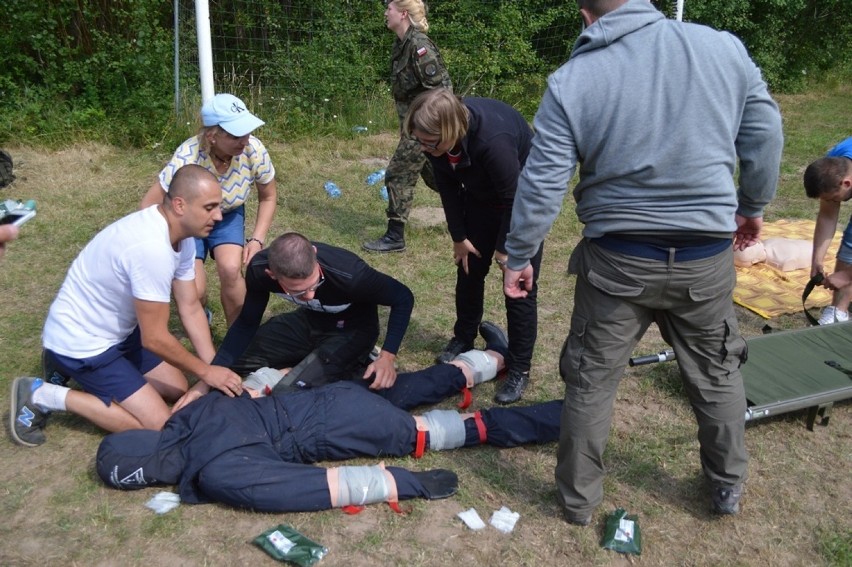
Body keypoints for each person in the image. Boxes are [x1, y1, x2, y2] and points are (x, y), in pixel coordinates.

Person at [502, 0, 783, 525]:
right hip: (703, 257)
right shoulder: (723, 47)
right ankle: (727, 488)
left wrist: (519, 254)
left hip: (618, 263)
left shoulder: (574, 79)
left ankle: (578, 503)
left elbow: (542, 183)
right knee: (718, 374)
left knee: (590, 380)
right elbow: (765, 133)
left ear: (587, 16)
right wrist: (753, 206)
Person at [96, 333, 562, 514]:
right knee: (412, 386)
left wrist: (405, 482)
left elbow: (317, 487)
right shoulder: (192, 413)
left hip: (338, 427)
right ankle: (492, 358)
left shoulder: (218, 471)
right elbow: (259, 383)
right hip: (325, 395)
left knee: (444, 431)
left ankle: (563, 418)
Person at [10, 165, 245, 448]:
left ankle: (62, 365)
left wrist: (212, 369)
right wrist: (208, 374)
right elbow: (155, 337)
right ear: (180, 205)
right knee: (161, 428)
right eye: (210, 207)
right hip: (84, 344)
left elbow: (190, 306)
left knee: (180, 387)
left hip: (118, 333)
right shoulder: (150, 249)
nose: (218, 216)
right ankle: (40, 394)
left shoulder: (182, 237)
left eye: (219, 206)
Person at [405, 88, 542, 405]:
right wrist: (459, 236)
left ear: (451, 131)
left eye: (430, 142)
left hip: (523, 204)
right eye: (419, 141)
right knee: (468, 271)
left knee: (517, 287)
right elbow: (449, 187)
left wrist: (507, 250)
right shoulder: (436, 140)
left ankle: (519, 367)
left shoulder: (492, 142)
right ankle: (463, 337)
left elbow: (515, 197)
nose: (424, 148)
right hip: (481, 200)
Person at [176, 232, 414, 408]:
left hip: (352, 330)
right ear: (273, 275)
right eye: (298, 292)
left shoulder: (351, 274)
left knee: (289, 393)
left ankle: (359, 360)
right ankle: (310, 361)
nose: (309, 295)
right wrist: (208, 377)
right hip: (308, 322)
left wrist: (388, 356)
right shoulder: (260, 271)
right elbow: (247, 324)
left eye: (314, 284)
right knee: (235, 362)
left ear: (315, 256)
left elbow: (403, 297)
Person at [140, 93, 277, 325]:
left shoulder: (253, 149)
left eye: (247, 132)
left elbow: (268, 196)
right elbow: (149, 204)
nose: (245, 140)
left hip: (228, 215)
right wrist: (166, 244)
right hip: (188, 222)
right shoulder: (187, 157)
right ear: (212, 136)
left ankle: (239, 338)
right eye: (236, 135)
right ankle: (199, 319)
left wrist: (257, 240)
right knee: (196, 289)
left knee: (231, 269)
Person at [362, 0, 452, 253]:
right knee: (437, 176)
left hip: (425, 127)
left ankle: (395, 237)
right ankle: (474, 206)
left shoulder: (419, 47)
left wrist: (429, 128)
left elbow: (442, 91)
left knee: (398, 173)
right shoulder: (402, 44)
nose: (385, 13)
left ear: (402, 13)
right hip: (413, 125)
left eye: (389, 8)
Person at [804, 137, 852, 324]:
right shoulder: (834, 163)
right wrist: (817, 259)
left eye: (833, 198)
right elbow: (827, 216)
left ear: (846, 183)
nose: (832, 202)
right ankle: (838, 311)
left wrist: (847, 275)